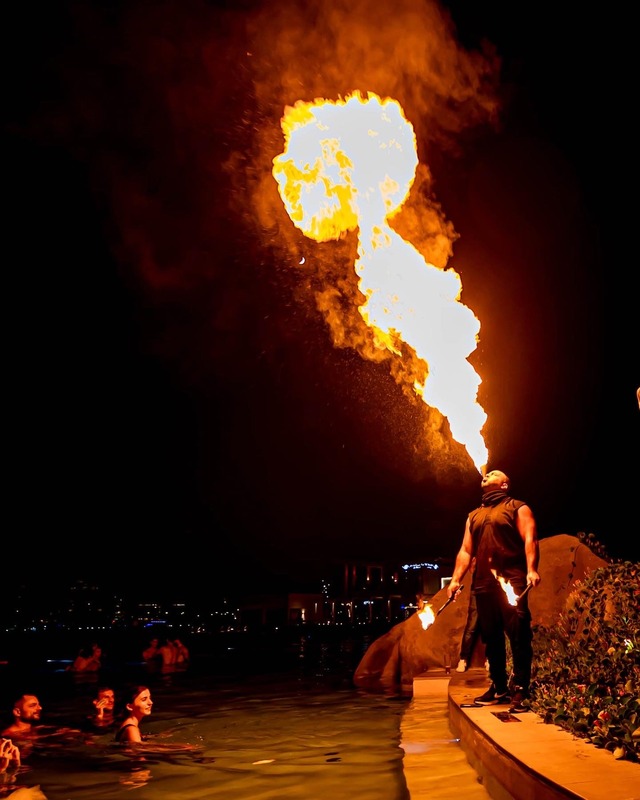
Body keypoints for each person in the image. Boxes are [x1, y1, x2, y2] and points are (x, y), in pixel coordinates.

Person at [447, 469, 541, 713]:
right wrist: (455, 580)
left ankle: (521, 688)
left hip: (512, 579)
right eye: (487, 475)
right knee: (491, 637)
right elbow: (466, 550)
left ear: (505, 484)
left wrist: (532, 569)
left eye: (495, 474)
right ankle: (499, 687)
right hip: (483, 583)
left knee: (519, 635)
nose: (488, 475)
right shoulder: (473, 515)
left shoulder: (518, 507)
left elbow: (530, 539)